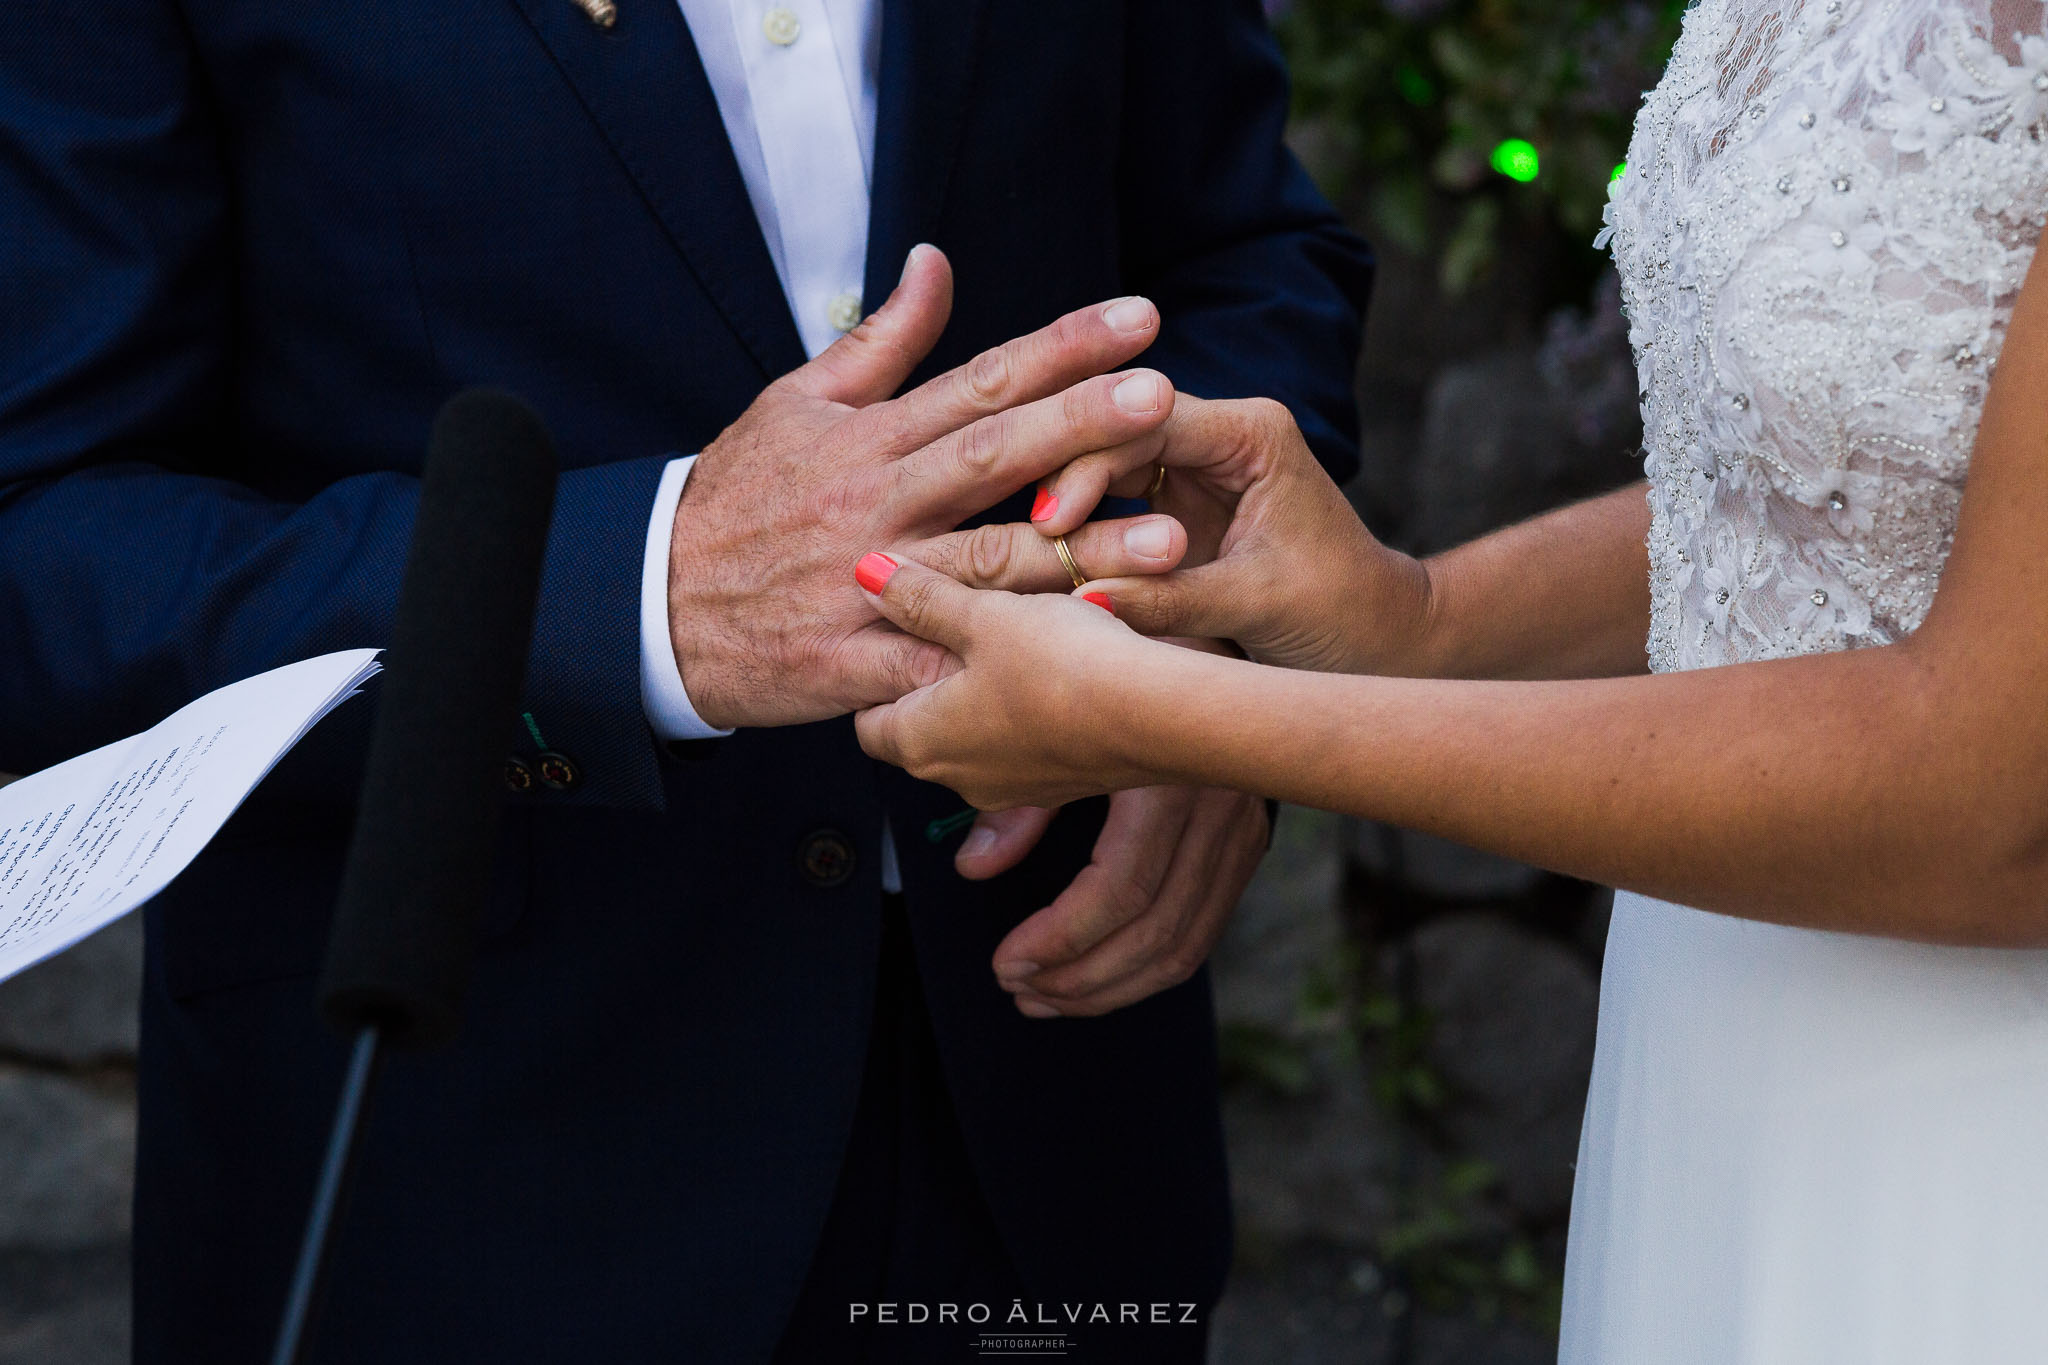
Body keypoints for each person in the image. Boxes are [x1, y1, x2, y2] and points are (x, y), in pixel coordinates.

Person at [0, 1, 1370, 1359]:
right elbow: (44, 537)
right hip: (472, 1167)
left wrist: (1205, 648)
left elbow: (1243, 249)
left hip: (1045, 1109)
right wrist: (642, 592)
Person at [852, 0, 2048, 1358]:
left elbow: (2000, 803)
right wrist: (1416, 616)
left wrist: (1188, 715)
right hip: (1725, 1050)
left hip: (1983, 1125)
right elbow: (1879, 485)